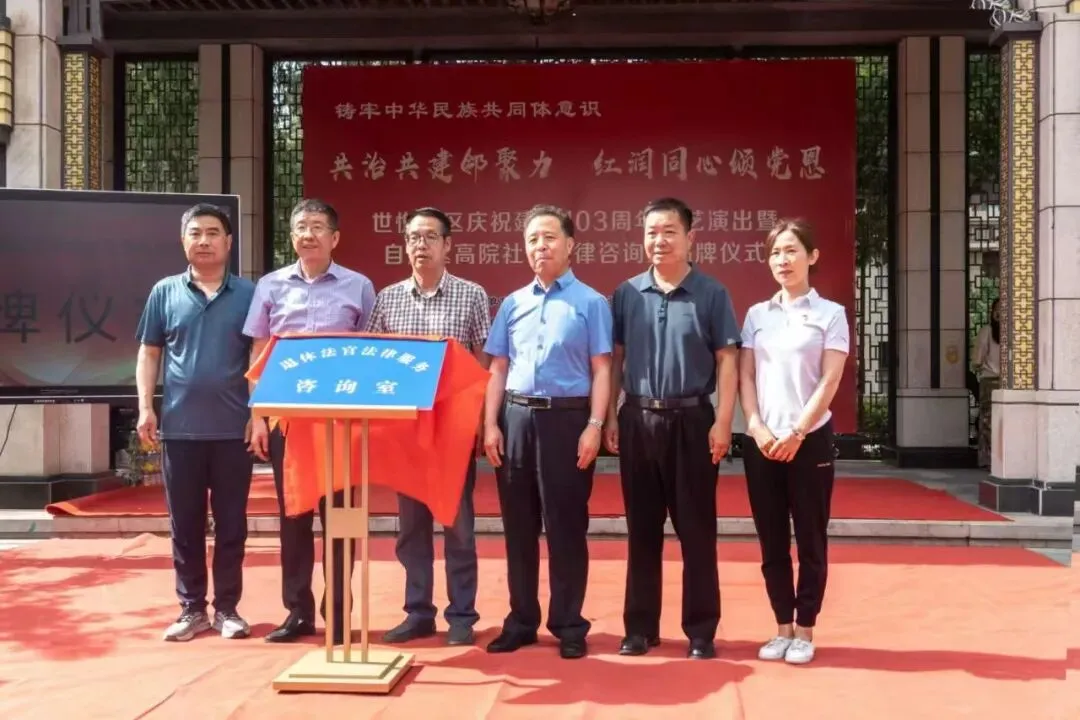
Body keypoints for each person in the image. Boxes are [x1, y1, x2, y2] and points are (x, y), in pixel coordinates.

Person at [604, 197, 739, 661]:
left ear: (690, 237)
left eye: (669, 232)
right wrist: (610, 416)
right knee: (641, 530)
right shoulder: (627, 293)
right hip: (638, 419)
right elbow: (616, 358)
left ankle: (700, 630)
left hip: (693, 421)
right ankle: (640, 628)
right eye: (651, 232)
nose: (659, 241)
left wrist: (724, 422)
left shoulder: (711, 293)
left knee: (696, 531)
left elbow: (727, 359)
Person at [243, 198, 377, 644]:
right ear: (291, 236)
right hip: (289, 422)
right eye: (301, 226)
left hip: (341, 421)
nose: (308, 234)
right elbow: (258, 354)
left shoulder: (359, 286)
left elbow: (371, 352)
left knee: (341, 518)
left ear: (334, 238)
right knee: (294, 517)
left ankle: (338, 611)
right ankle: (297, 611)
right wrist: (258, 416)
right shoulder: (271, 286)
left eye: (318, 226)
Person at [482, 204, 612, 660]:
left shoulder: (591, 303)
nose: (541, 246)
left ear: (570, 245)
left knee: (566, 526)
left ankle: (569, 623)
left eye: (550, 237)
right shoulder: (512, 304)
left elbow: (602, 369)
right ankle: (521, 621)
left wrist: (595, 425)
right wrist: (490, 424)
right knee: (518, 526)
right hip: (516, 419)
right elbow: (498, 368)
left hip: (567, 421)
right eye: (533, 239)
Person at [365, 207, 491, 647]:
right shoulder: (388, 298)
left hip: (452, 429)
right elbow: (373, 357)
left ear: (447, 245)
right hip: (405, 432)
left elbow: (484, 357)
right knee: (411, 528)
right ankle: (418, 612)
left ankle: (462, 616)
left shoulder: (471, 295)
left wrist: (479, 417)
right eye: (414, 237)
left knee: (458, 525)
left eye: (430, 237)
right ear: (405, 245)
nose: (421, 245)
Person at [134, 203, 257, 642]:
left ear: (229, 241)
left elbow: (259, 354)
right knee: (185, 525)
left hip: (233, 430)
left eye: (213, 233)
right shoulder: (164, 292)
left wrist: (258, 413)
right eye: (196, 233)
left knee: (231, 525)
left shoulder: (249, 294)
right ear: (183, 240)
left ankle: (227, 609)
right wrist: (146, 407)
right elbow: (149, 352)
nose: (204, 241)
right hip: (180, 429)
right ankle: (191, 609)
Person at [738, 218, 849, 666]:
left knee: (810, 539)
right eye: (775, 253)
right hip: (763, 444)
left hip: (810, 441)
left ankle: (805, 630)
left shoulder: (830, 314)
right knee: (771, 540)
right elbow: (746, 376)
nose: (782, 260)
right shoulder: (757, 315)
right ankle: (782, 626)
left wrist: (799, 431)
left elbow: (830, 378)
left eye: (790, 251)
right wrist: (756, 426)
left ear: (812, 256)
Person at [971, 298, 1000, 468]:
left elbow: (977, 359)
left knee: (988, 421)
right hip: (1006, 383)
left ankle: (988, 459)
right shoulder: (1016, 333)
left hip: (989, 381)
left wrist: (980, 366)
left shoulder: (986, 331)